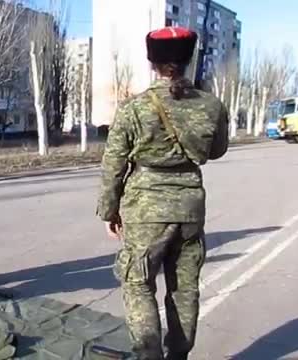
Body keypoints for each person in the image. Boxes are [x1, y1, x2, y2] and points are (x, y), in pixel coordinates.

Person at [96, 27, 229, 360]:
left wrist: (108, 211)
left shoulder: (133, 109)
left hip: (145, 210)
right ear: (187, 59)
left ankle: (148, 355)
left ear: (151, 60)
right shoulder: (211, 105)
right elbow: (216, 151)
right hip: (189, 208)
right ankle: (179, 355)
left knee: (138, 283)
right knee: (184, 290)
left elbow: (113, 164)